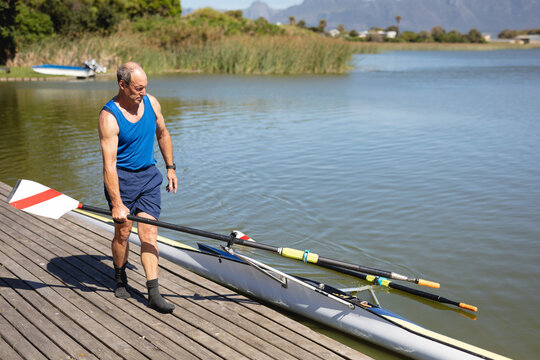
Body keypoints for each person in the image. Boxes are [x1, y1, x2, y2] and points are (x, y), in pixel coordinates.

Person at [98, 62, 178, 313]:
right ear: (122, 85)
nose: (143, 92)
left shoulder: (152, 104)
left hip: (148, 178)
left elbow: (163, 134)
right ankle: (120, 276)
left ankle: (153, 292)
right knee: (123, 233)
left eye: (145, 87)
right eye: (138, 88)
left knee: (149, 233)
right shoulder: (109, 117)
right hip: (121, 181)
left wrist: (171, 167)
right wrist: (118, 203)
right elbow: (109, 166)